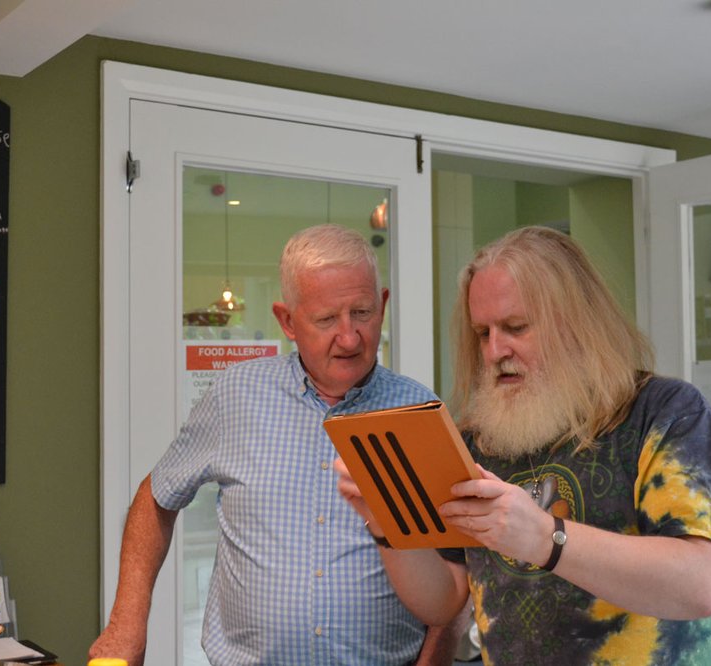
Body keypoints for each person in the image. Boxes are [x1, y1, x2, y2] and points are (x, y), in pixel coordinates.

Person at [336, 226, 711, 664]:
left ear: (577, 323)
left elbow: (700, 586)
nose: (495, 350)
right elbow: (443, 601)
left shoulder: (665, 412)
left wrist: (545, 537)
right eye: (483, 333)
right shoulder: (479, 441)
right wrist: (386, 526)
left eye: (515, 327)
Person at [90, 224, 468, 666]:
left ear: (382, 306)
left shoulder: (420, 412)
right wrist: (126, 627)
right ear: (286, 320)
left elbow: (457, 566)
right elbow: (155, 499)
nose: (349, 338)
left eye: (362, 313)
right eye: (326, 319)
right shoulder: (236, 396)